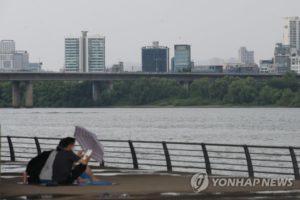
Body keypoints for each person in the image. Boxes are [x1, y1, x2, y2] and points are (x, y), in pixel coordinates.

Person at [26, 137, 93, 185]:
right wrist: (88, 155)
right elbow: (84, 162)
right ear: (69, 145)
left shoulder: (55, 152)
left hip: (42, 178)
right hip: (61, 181)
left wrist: (77, 156)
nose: (73, 146)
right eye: (73, 145)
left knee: (74, 167)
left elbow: (67, 162)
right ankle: (78, 180)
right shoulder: (68, 153)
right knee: (82, 166)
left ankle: (79, 179)